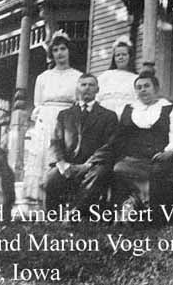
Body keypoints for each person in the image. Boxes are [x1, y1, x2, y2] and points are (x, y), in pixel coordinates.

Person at [90, 71, 173, 208]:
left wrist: (170, 151)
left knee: (158, 172)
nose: (143, 90)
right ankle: (124, 211)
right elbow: (117, 136)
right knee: (118, 168)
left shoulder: (170, 109)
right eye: (139, 87)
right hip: (132, 157)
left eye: (147, 86)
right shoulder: (128, 109)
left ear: (156, 89)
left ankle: (154, 215)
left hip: (158, 158)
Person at [23, 30, 83, 205]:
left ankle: (64, 205)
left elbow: (79, 103)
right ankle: (41, 206)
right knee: (44, 160)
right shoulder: (43, 77)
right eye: (55, 50)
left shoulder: (78, 76)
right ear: (52, 54)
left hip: (68, 122)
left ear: (69, 51)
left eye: (63, 48)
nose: (60, 53)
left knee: (63, 161)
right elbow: (38, 103)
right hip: (47, 122)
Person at [45, 73, 118, 214]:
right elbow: (55, 142)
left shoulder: (108, 115)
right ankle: (52, 216)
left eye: (91, 85)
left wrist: (88, 165)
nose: (87, 88)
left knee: (99, 174)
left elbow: (110, 145)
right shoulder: (64, 114)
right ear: (77, 89)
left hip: (93, 164)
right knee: (52, 176)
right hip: (68, 164)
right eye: (83, 85)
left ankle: (74, 213)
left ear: (98, 89)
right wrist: (61, 163)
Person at [96, 36, 138, 116]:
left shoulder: (136, 78)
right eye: (117, 55)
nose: (120, 57)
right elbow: (96, 98)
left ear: (130, 56)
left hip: (125, 118)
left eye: (124, 55)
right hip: (105, 117)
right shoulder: (105, 76)